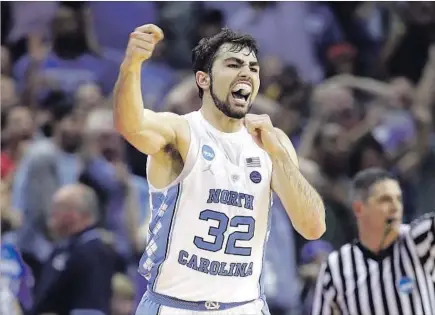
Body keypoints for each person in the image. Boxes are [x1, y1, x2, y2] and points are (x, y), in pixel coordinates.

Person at [114, 24, 326, 315]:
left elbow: (313, 227)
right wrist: (131, 66)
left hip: (245, 307)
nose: (246, 73)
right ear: (203, 79)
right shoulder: (181, 131)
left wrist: (280, 156)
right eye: (233, 64)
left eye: (253, 67)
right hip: (175, 306)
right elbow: (131, 125)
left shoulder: (272, 143)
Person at [312, 168, 435, 315]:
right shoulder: (336, 267)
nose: (396, 207)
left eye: (398, 199)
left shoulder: (417, 240)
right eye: (385, 200)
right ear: (359, 209)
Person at [30, 184, 116, 315]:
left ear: (78, 214)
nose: (52, 212)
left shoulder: (93, 252)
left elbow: (90, 309)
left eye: (59, 207)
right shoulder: (63, 248)